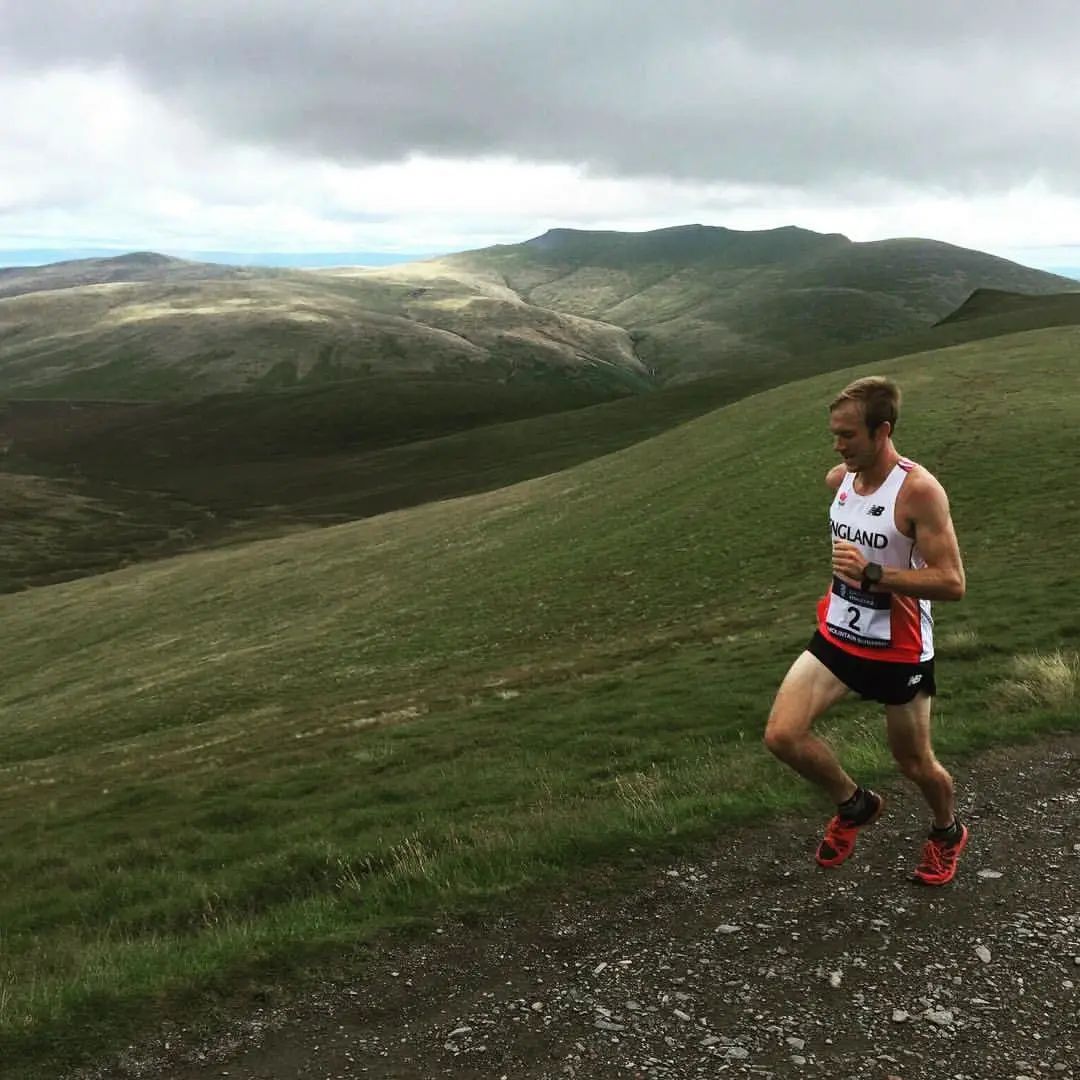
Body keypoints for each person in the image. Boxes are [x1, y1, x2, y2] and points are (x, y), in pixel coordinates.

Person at [764, 375, 968, 886]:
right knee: (782, 735)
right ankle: (854, 805)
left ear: (883, 430)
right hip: (838, 633)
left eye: (848, 435)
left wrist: (876, 575)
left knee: (915, 763)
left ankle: (946, 833)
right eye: (834, 434)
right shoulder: (841, 480)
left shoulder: (918, 490)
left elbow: (951, 582)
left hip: (899, 649)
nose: (837, 445)